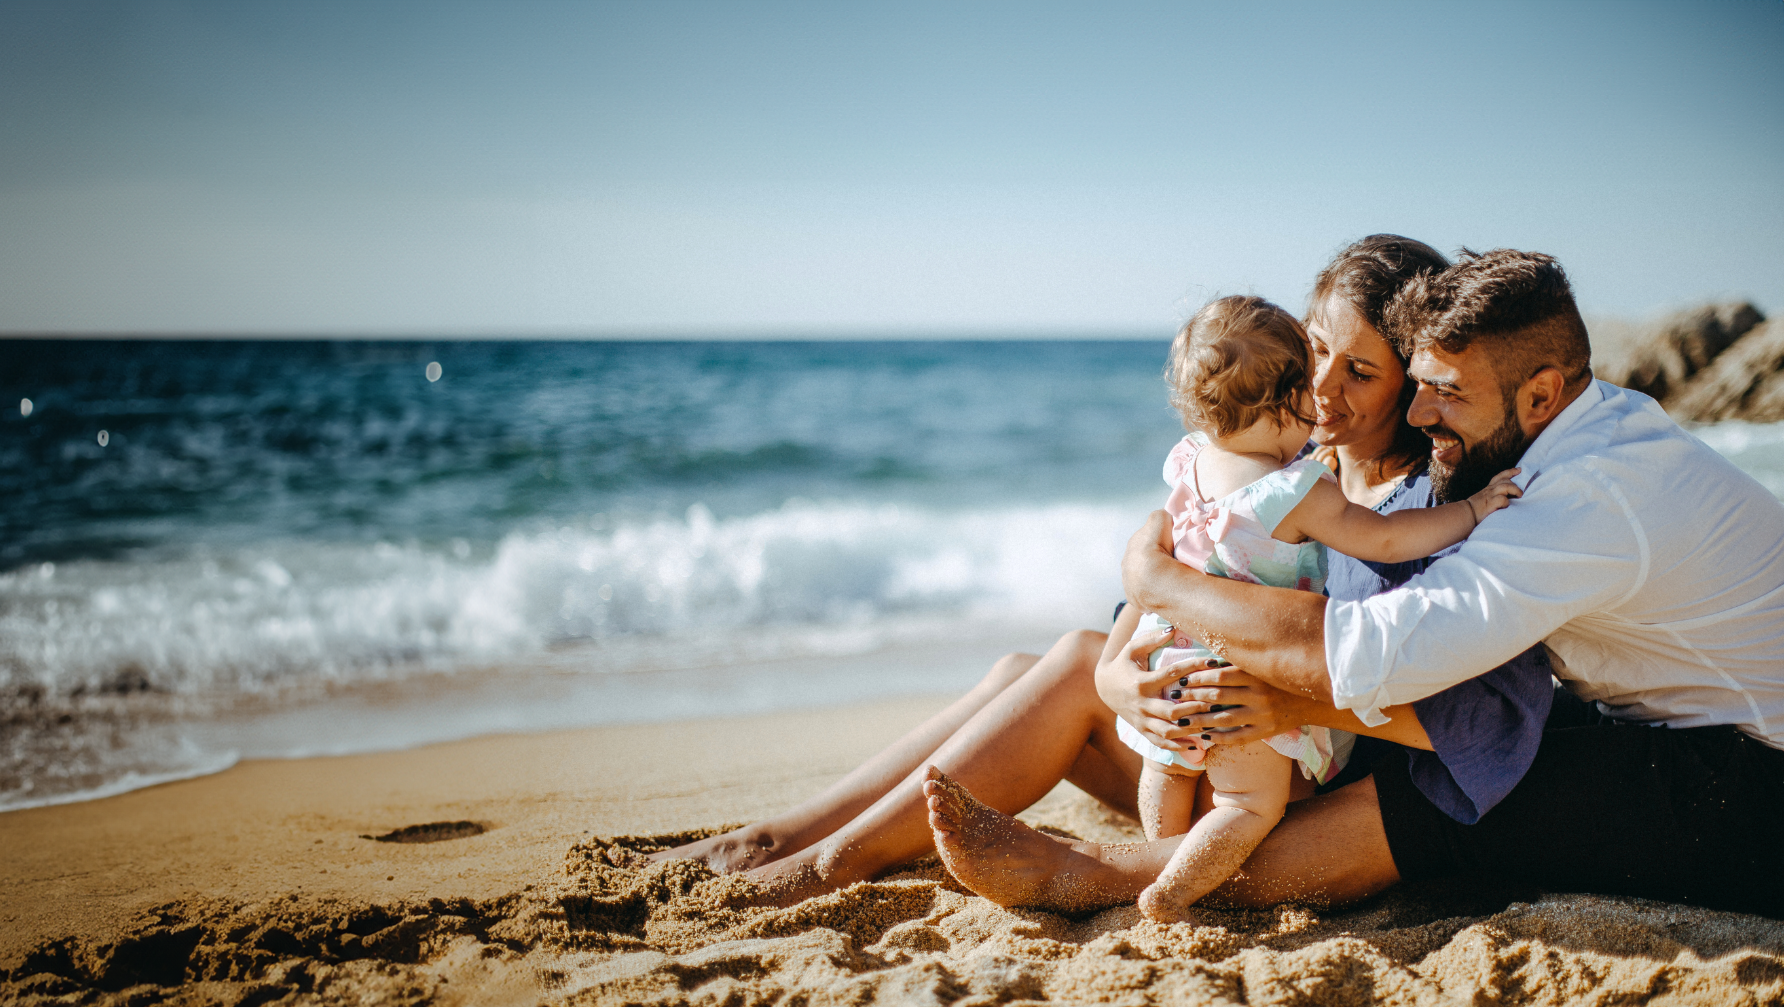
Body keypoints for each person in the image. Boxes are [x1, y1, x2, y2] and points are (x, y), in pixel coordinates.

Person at [652, 235, 1545, 912]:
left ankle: (832, 863)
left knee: (1073, 666)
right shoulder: (1289, 460)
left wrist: (1197, 663)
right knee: (1048, 667)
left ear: (1409, 383)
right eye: (1314, 351)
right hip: (1209, 728)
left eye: (1360, 371)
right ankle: (787, 834)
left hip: (1292, 777)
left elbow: (1449, 701)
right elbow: (1179, 569)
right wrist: (1127, 679)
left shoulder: (1415, 512)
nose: (1320, 388)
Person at [932, 248, 1784, 919]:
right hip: (1700, 731)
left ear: (1543, 393)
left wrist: (1149, 577)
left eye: (1443, 392)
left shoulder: (1583, 499)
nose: (1419, 414)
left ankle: (1093, 877)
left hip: (1758, 786)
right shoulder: (1583, 439)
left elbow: (1363, 653)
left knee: (1491, 796)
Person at [1115, 292, 1518, 923]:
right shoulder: (1289, 491)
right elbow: (1382, 537)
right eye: (1311, 383)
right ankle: (1170, 890)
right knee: (1247, 805)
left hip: (1169, 659)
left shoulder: (1190, 460)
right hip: (1240, 670)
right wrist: (1471, 510)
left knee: (1168, 766)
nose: (1321, 401)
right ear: (1289, 402)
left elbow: (1166, 554)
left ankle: (1154, 853)